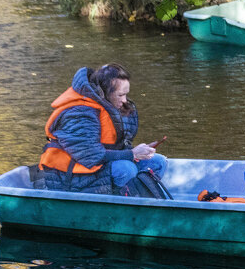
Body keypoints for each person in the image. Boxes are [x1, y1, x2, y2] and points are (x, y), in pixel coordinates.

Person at [37, 64, 166, 195]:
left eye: (126, 94)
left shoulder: (107, 106)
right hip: (68, 178)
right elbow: (91, 155)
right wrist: (132, 154)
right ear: (104, 92)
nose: (124, 100)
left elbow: (110, 147)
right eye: (120, 95)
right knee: (127, 169)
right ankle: (116, 204)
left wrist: (138, 152)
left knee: (158, 162)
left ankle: (136, 198)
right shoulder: (79, 114)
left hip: (96, 166)